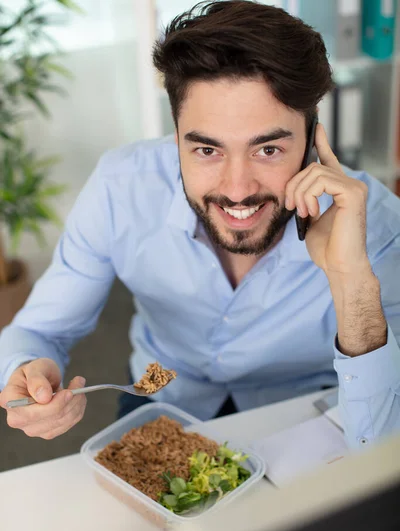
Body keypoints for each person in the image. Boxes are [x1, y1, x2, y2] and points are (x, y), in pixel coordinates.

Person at [0, 1, 399, 448]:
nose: (236, 189)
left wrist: (352, 281)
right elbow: (38, 330)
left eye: (267, 150)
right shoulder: (120, 187)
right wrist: (27, 371)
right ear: (175, 136)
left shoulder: (376, 222)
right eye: (207, 150)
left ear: (312, 141)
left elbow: (385, 442)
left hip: (311, 409)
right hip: (164, 393)